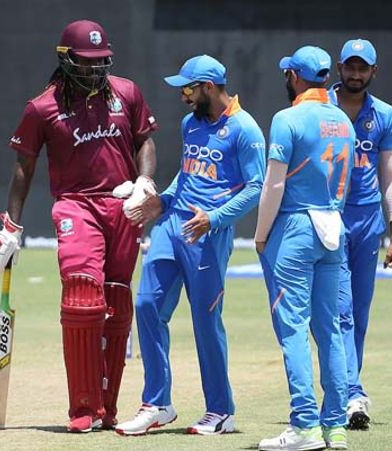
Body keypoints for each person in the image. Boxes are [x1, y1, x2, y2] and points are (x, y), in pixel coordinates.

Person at [0, 20, 158, 433]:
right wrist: (11, 225)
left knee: (116, 302)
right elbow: (23, 169)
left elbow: (145, 142)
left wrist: (145, 182)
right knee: (82, 295)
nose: (96, 70)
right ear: (65, 60)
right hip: (75, 206)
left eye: (101, 62)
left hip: (122, 205)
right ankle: (82, 407)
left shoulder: (127, 92)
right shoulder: (42, 107)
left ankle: (107, 406)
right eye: (86, 63)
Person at [115, 55, 265, 437]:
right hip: (172, 224)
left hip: (208, 234)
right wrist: (162, 201)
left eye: (188, 88)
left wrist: (214, 218)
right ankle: (158, 404)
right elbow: (188, 171)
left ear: (209, 88)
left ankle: (221, 411)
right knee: (147, 305)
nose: (182, 95)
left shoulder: (245, 130)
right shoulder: (190, 124)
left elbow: (255, 188)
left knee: (205, 321)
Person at [254, 45, 353, 451]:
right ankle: (336, 428)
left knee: (293, 329)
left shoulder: (287, 118)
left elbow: (273, 184)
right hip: (333, 226)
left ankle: (305, 427)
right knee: (329, 330)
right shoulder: (343, 120)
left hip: (294, 227)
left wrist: (261, 235)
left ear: (294, 77)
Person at [328, 38, 392, 430]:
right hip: (329, 219)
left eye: (362, 68)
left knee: (360, 312)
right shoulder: (320, 109)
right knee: (341, 310)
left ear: (373, 71)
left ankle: (350, 391)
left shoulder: (384, 114)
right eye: (349, 67)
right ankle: (351, 392)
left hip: (368, 222)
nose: (355, 74)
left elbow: (388, 179)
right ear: (339, 68)